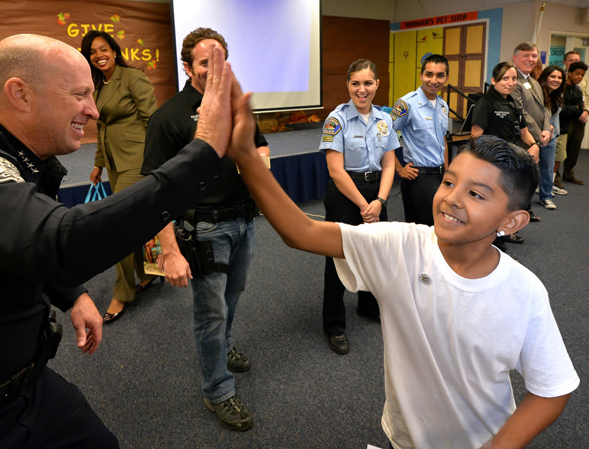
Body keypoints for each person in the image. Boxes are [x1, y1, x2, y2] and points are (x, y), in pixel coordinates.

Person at [0, 35, 239, 448]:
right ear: (19, 94)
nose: (93, 110)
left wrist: (72, 295)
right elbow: (61, 243)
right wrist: (203, 151)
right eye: (80, 94)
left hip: (28, 388)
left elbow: (17, 240)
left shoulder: (17, 160)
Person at [226, 84, 579, 446]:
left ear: (511, 222)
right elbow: (300, 232)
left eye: (475, 194)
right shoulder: (402, 246)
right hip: (404, 439)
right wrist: (246, 157)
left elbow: (552, 388)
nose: (451, 199)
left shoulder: (525, 290)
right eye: (448, 181)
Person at [140, 27, 269, 432]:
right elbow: (156, 192)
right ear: (187, 67)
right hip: (203, 230)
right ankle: (218, 390)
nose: (214, 69)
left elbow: (261, 145)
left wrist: (259, 163)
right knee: (210, 312)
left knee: (233, 297)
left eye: (220, 61)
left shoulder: (236, 105)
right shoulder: (169, 117)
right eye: (204, 62)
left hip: (244, 221)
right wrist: (170, 251)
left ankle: (224, 347)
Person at [80, 30, 159, 324]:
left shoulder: (132, 77)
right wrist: (99, 163)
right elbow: (102, 129)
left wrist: (155, 159)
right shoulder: (99, 86)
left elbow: (152, 120)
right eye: (92, 52)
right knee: (135, 223)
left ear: (114, 51)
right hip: (115, 162)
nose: (98, 55)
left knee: (120, 225)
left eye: (103, 49)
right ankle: (147, 275)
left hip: (137, 159)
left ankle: (122, 293)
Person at [319, 59, 397, 355]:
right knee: (339, 258)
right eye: (355, 83)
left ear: (377, 84)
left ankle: (367, 306)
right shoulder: (335, 120)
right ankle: (334, 325)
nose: (361, 90)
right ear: (348, 86)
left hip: (377, 192)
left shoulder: (385, 119)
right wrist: (366, 205)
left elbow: (390, 164)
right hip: (345, 193)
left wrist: (379, 201)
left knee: (375, 254)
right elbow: (336, 171)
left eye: (367, 83)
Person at [471, 62, 542, 220]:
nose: (510, 83)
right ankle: (498, 235)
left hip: (511, 158)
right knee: (496, 200)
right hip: (493, 161)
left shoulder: (514, 102)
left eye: (514, 79)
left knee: (509, 198)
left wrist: (534, 146)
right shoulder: (486, 102)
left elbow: (524, 132)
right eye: (505, 79)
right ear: (494, 80)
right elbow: (476, 136)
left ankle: (507, 229)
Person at [390, 54, 449, 226]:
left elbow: (442, 140)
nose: (434, 80)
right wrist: (399, 169)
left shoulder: (442, 105)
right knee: (422, 230)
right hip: (419, 178)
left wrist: (447, 170)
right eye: (429, 74)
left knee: (439, 227)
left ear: (446, 77)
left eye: (440, 75)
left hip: (439, 176)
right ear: (421, 75)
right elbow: (383, 136)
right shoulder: (406, 104)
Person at [510, 42, 549, 223]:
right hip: (522, 139)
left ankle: (525, 209)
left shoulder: (534, 82)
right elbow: (521, 112)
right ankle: (517, 212)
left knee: (529, 176)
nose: (531, 59)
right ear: (515, 58)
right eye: (526, 56)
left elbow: (544, 109)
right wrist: (539, 133)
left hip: (536, 137)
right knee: (518, 178)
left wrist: (547, 129)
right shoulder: (512, 81)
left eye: (533, 56)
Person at [536, 65, 568, 197]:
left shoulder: (558, 94)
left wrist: (552, 132)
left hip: (552, 135)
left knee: (549, 167)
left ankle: (546, 193)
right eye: (553, 76)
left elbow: (555, 117)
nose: (556, 80)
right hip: (536, 133)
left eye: (560, 77)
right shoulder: (537, 93)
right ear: (545, 77)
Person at [559, 61, 588, 185]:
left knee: (574, 150)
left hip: (577, 124)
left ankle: (568, 174)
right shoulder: (562, 88)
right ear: (569, 73)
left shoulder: (577, 89)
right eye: (577, 74)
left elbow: (579, 107)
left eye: (582, 75)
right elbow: (561, 108)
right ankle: (555, 178)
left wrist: (579, 110)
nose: (580, 77)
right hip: (564, 123)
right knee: (560, 152)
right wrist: (575, 109)